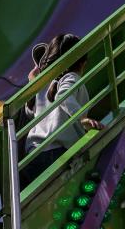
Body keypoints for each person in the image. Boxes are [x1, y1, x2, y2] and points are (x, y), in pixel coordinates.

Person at [20, 34, 104, 188]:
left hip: (33, 156)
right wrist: (82, 118)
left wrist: (32, 84)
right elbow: (64, 95)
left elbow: (30, 112)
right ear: (82, 62)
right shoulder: (71, 77)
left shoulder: (43, 81)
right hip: (57, 153)